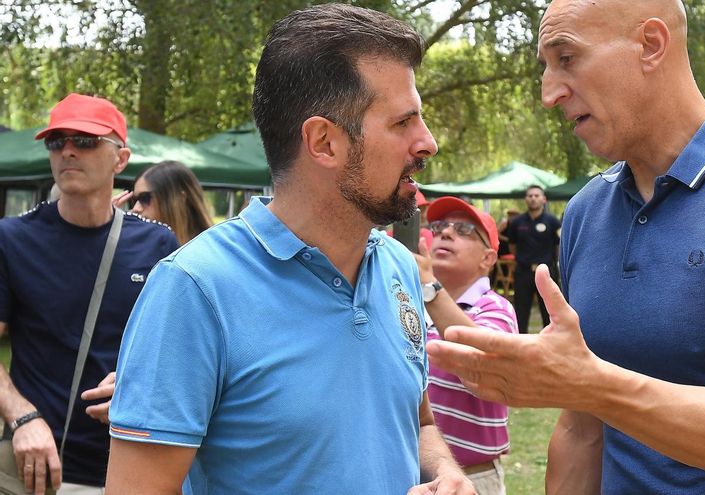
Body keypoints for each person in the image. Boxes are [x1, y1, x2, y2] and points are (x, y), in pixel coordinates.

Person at [426, 1, 705, 494]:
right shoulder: (588, 209)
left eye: (566, 57)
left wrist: (590, 384)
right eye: (544, 67)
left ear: (651, 45)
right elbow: (580, 431)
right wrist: (584, 388)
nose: (549, 93)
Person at [105, 5, 474, 494]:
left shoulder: (399, 269)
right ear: (323, 142)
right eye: (403, 122)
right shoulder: (194, 289)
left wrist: (445, 473)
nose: (426, 142)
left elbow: (418, 420)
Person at [0, 93, 178, 494]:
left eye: (84, 141)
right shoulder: (12, 239)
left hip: (133, 466)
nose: (67, 151)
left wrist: (142, 383)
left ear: (121, 159)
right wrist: (21, 416)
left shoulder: (158, 245)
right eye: (55, 141)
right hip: (34, 470)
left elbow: (182, 352)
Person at [413, 196, 516, 494]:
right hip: (411, 472)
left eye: (464, 230)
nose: (446, 233)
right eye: (440, 226)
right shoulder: (411, 303)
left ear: (488, 259)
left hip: (471, 479)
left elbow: (478, 363)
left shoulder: (495, 308)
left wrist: (430, 288)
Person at [115, 161, 213, 244]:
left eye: (144, 198)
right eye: (134, 200)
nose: (136, 208)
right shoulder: (134, 246)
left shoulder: (211, 251)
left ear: (179, 199)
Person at [507, 185, 560, 333]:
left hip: (547, 273)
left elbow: (559, 245)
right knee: (521, 311)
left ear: (544, 199)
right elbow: (512, 246)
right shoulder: (517, 222)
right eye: (530, 196)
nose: (533, 198)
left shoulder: (553, 221)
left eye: (537, 195)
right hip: (523, 272)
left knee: (549, 312)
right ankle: (519, 347)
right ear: (526, 199)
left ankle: (551, 345)